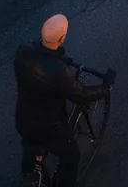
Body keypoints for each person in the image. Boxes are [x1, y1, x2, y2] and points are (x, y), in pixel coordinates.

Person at [14, 15, 114, 186]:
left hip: (23, 119)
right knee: (71, 157)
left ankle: (30, 171)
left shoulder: (23, 51)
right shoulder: (60, 71)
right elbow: (81, 94)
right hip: (50, 129)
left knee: (31, 145)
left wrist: (56, 56)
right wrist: (105, 88)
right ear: (62, 38)